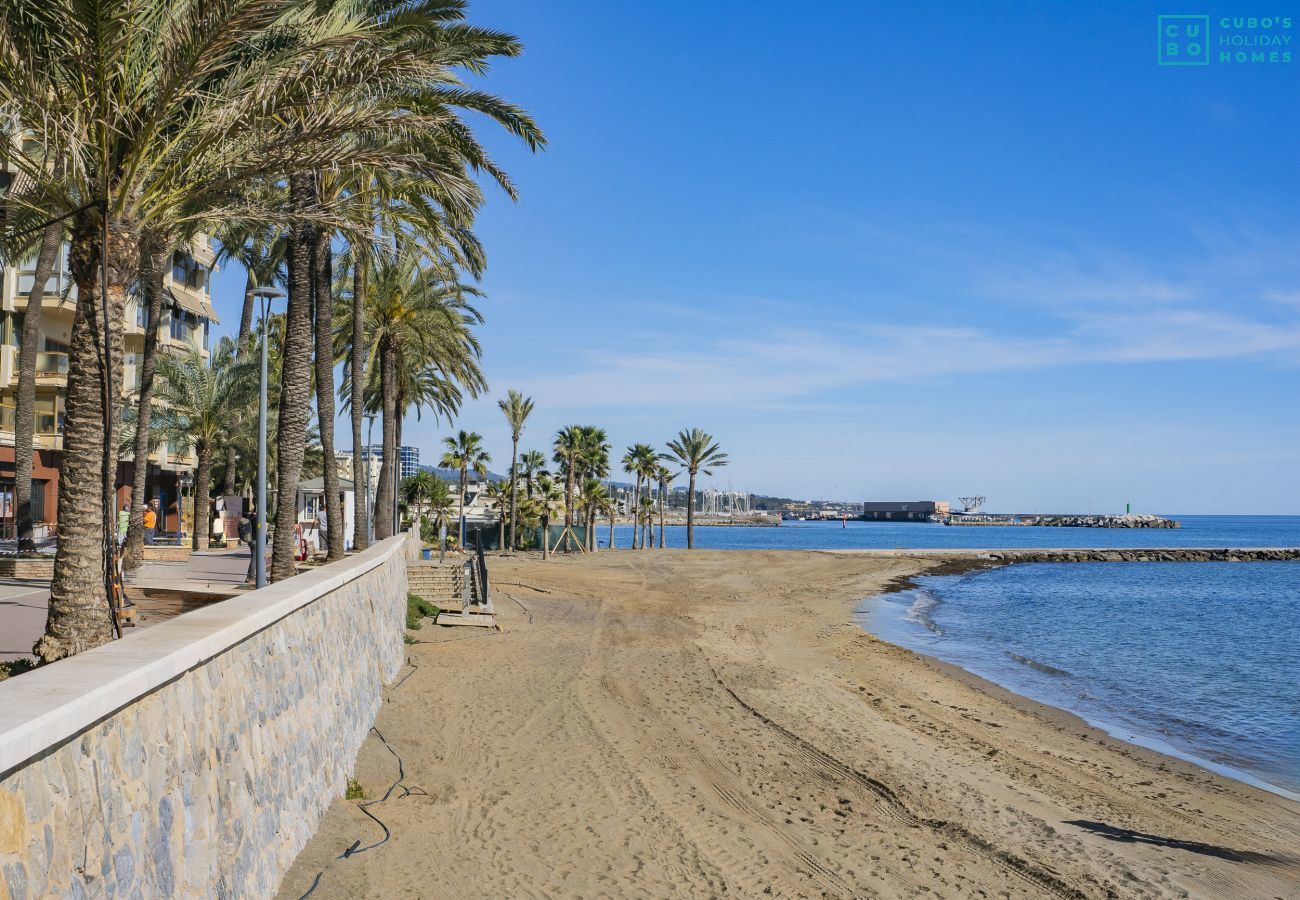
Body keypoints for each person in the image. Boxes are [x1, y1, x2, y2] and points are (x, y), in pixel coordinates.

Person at [240, 510, 258, 583]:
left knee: (254, 559)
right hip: (255, 541)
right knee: (254, 559)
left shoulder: (249, 518)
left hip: (250, 541)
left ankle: (250, 576)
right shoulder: (257, 519)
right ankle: (251, 577)